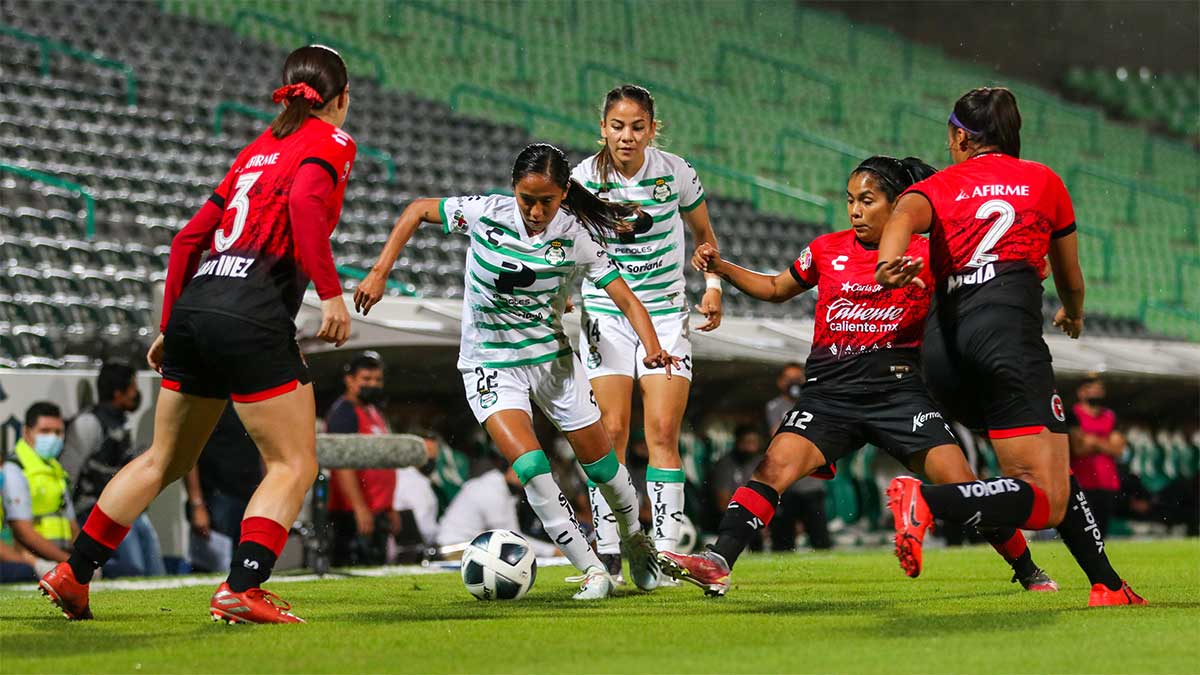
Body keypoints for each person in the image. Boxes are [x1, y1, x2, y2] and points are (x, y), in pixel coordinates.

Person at [39, 44, 356, 623]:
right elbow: (307, 205)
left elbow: (187, 240)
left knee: (163, 459)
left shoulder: (254, 152)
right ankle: (244, 586)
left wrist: (168, 326)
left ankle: (73, 572)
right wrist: (331, 293)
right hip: (252, 310)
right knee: (293, 463)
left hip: (198, 305)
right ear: (340, 99)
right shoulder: (331, 141)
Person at [660, 155, 1055, 597]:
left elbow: (976, 295)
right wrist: (724, 268)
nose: (855, 210)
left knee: (961, 484)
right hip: (828, 396)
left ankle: (1028, 569)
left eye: (867, 200)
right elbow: (775, 288)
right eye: (850, 200)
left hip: (899, 394)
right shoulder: (827, 249)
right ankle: (716, 562)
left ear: (898, 204)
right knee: (772, 469)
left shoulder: (928, 254)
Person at [354, 142, 679, 599]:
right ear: (513, 190)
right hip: (490, 364)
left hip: (553, 365)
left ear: (564, 194)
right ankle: (593, 571)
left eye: (547, 200)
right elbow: (417, 210)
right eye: (527, 199)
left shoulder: (577, 237)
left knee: (604, 469)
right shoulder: (485, 213)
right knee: (531, 467)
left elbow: (625, 298)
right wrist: (379, 271)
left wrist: (652, 347)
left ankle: (633, 537)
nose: (536, 209)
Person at [874, 87, 1144, 606]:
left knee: (1051, 468)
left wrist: (890, 265)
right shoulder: (1044, 181)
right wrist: (1074, 310)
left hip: (944, 354)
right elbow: (1070, 275)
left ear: (959, 135)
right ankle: (926, 502)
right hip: (1006, 342)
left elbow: (903, 215)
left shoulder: (940, 186)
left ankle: (1107, 584)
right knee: (1045, 501)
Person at [571, 85, 722, 578]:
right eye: (617, 126)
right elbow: (563, 239)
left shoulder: (676, 172)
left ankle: (665, 551)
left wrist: (714, 284)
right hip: (606, 310)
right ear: (603, 128)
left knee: (660, 431)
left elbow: (705, 237)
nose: (627, 136)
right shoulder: (582, 178)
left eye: (637, 127)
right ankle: (612, 549)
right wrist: (561, 292)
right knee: (610, 431)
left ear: (653, 129)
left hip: (663, 313)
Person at [61, 362, 165, 578]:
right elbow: (67, 477)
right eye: (133, 388)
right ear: (118, 393)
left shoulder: (121, 423)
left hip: (123, 507)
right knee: (133, 568)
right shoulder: (89, 423)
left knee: (154, 565)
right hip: (93, 509)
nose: (136, 394)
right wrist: (71, 522)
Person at [325, 351, 400, 566]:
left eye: (377, 380)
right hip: (353, 512)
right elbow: (342, 464)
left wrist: (389, 506)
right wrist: (359, 507)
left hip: (377, 509)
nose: (373, 385)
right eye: (366, 379)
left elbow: (384, 462)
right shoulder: (344, 413)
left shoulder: (374, 411)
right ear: (350, 380)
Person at [184, 406, 264, 572]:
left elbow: (265, 447)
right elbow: (189, 454)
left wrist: (268, 492)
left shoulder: (253, 395)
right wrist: (197, 503)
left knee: (249, 567)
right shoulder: (211, 396)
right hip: (216, 495)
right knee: (212, 570)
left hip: (251, 493)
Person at [764, 363, 831, 551]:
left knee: (820, 537)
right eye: (789, 378)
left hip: (812, 482)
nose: (794, 383)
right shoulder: (775, 406)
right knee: (783, 538)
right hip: (787, 484)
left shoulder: (815, 403)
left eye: (798, 378)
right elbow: (776, 435)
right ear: (780, 382)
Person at [435, 456, 557, 559]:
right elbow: (511, 538)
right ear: (510, 468)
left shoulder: (504, 489)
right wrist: (553, 551)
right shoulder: (490, 489)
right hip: (453, 549)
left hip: (468, 546)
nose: (529, 478)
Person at [3, 403, 75, 565]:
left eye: (58, 432)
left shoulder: (56, 469)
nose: (53, 438)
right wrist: (68, 562)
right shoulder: (15, 468)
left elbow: (72, 524)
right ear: (26, 432)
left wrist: (81, 561)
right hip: (32, 561)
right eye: (45, 431)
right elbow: (22, 530)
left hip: (61, 557)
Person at [1067, 374, 1125, 538]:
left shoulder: (1110, 416)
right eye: (1091, 389)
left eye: (1099, 389)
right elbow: (1079, 448)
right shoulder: (1073, 415)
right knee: (1083, 531)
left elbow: (1118, 449)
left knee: (1102, 531)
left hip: (1107, 481)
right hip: (1081, 481)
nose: (1096, 393)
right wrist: (1106, 443)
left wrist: (1093, 441)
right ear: (1081, 392)